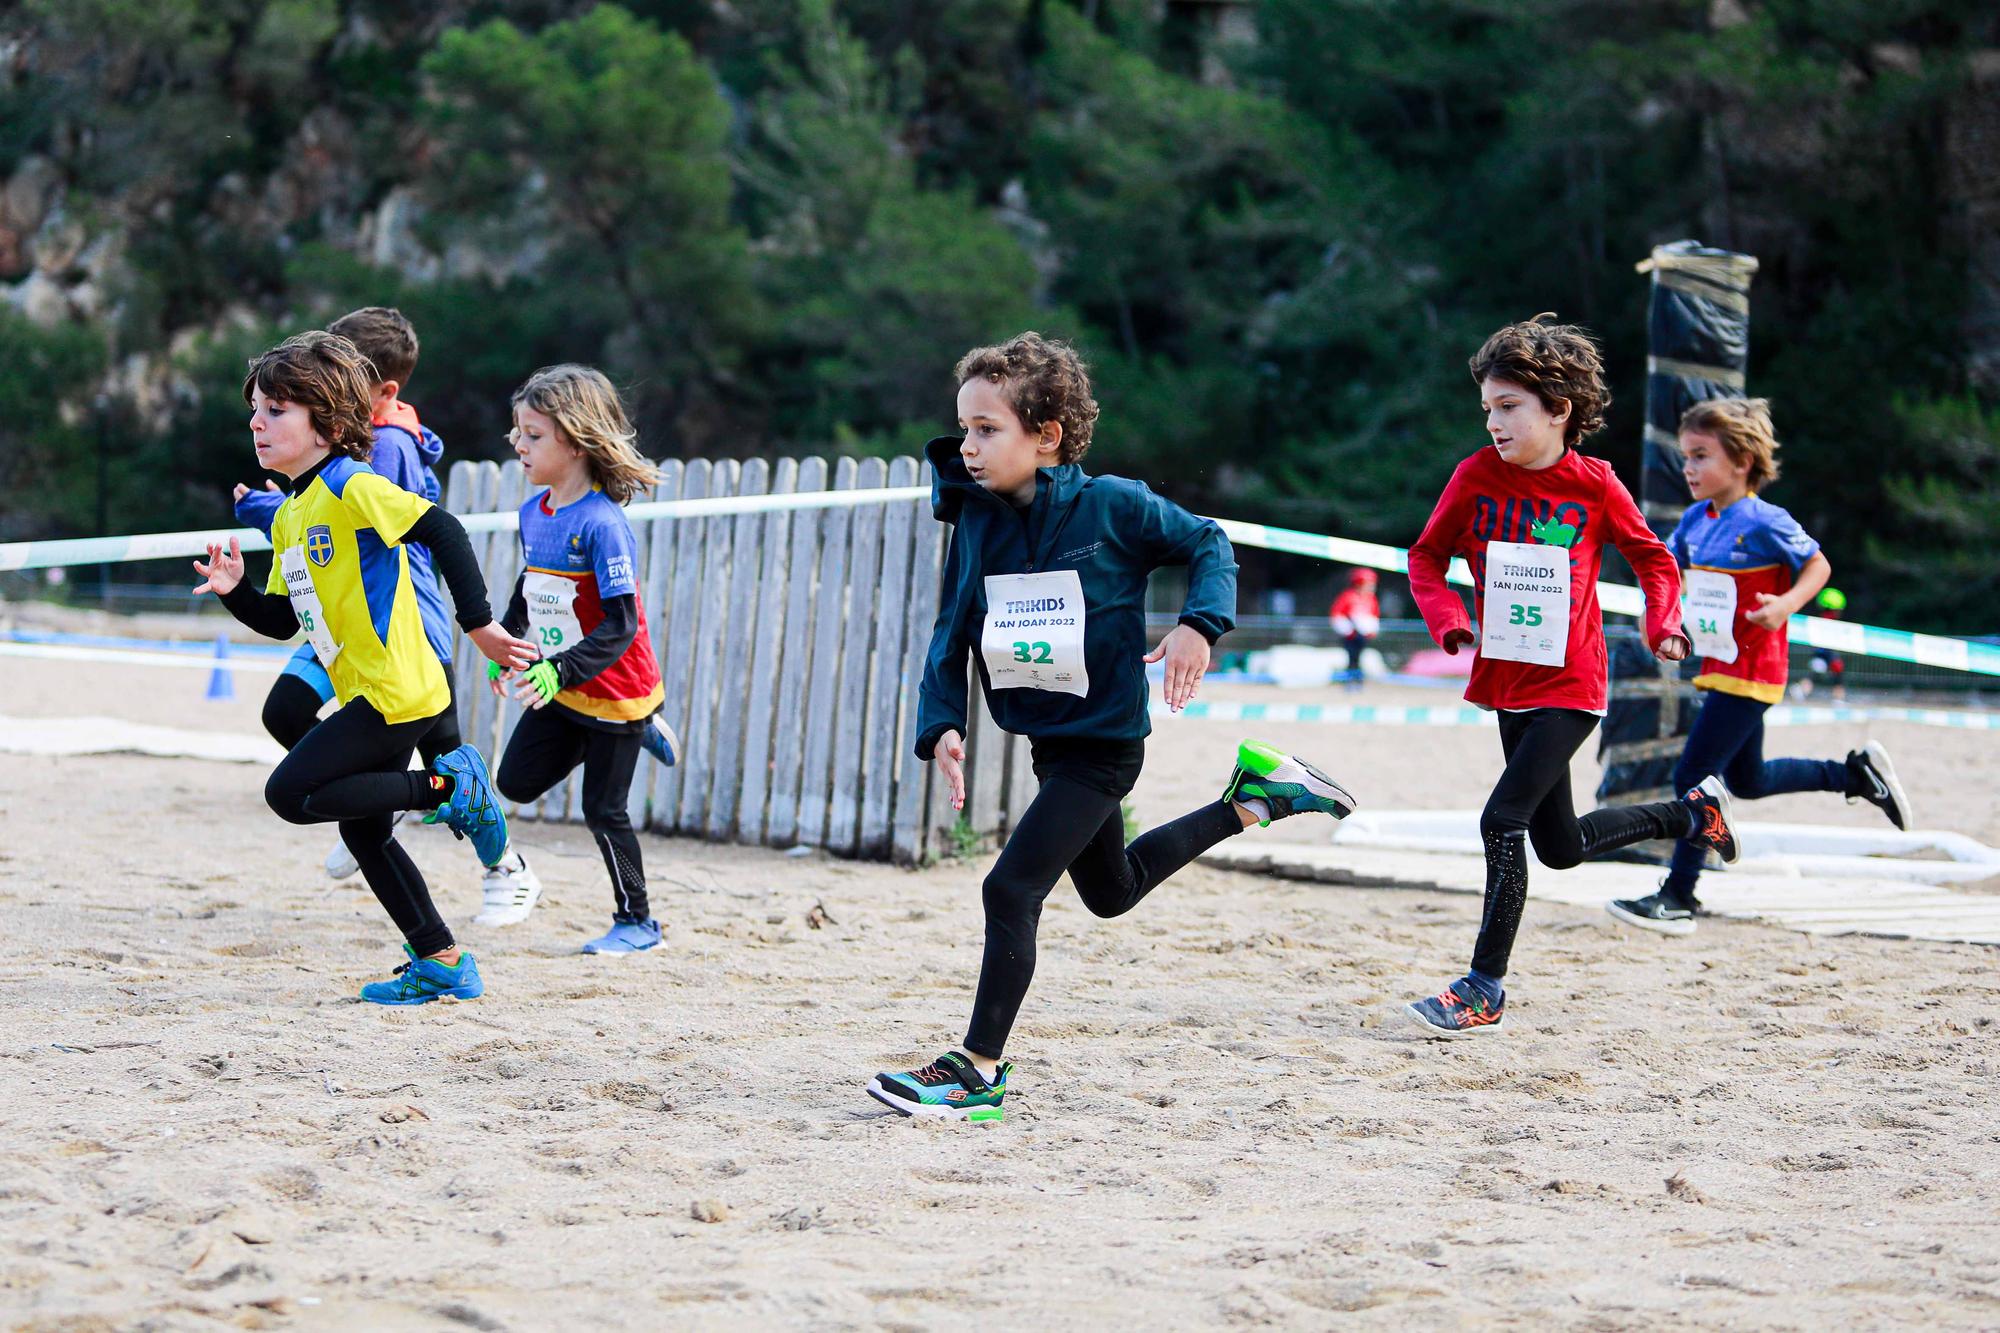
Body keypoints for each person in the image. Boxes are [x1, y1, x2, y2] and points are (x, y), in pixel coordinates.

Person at [865, 332, 1357, 1121]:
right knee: (1111, 890)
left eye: (988, 429)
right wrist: (942, 724)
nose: (968, 445)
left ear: (1046, 435)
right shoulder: (979, 523)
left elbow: (1208, 541)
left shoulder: (1114, 506)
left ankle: (977, 1072)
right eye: (964, 427)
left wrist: (1201, 624)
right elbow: (949, 629)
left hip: (1103, 746)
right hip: (1049, 742)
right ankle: (1254, 798)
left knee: (1009, 888)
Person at [1400, 314, 1738, 1038]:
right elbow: (1425, 556)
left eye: (1508, 406)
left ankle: (1483, 986)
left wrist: (1662, 624)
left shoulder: (1595, 484)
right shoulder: (1474, 477)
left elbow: (1653, 559)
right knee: (1558, 847)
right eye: (1487, 407)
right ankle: (1692, 815)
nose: (1493, 421)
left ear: (1559, 409)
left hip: (1573, 683)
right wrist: (1450, 620)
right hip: (1505, 681)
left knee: (1501, 821)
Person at [193, 331, 536, 1003]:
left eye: (277, 409)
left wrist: (480, 624)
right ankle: (443, 959)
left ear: (326, 420)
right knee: (362, 828)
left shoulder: (352, 484)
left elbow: (443, 529)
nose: (258, 422)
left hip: (397, 689)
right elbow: (289, 621)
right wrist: (236, 591)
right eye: (255, 410)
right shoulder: (292, 515)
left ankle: (444, 791)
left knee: (289, 794)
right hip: (375, 690)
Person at [1607, 399, 1910, 934]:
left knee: (1692, 777)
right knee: (1745, 779)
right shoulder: (1696, 521)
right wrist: (1661, 617)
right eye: (1685, 458)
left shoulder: (1767, 521)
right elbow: (1668, 573)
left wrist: (1785, 604)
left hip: (1754, 670)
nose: (1689, 469)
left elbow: (1818, 565)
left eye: (1701, 456)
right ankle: (1855, 774)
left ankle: (1679, 896)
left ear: (1743, 460)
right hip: (1717, 666)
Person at [487, 365, 678, 954]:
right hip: (562, 683)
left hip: (616, 689)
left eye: (533, 434)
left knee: (603, 809)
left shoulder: (603, 525)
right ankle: (631, 734)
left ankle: (639, 924)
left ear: (573, 441)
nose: (519, 444)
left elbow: (621, 625)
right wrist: (508, 641)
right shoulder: (532, 513)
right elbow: (531, 585)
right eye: (517, 431)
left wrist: (555, 668)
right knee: (512, 780)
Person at [1329, 568, 1380, 690]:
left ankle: (1358, 681)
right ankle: (1350, 682)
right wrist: (1348, 630)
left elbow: (1374, 615)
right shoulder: (1348, 597)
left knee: (1359, 658)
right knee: (1351, 658)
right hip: (1350, 635)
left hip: (1363, 635)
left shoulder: (1370, 598)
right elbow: (1337, 615)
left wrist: (1371, 629)